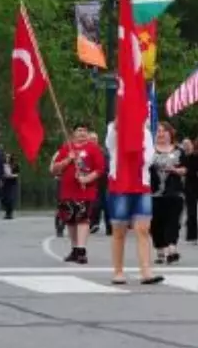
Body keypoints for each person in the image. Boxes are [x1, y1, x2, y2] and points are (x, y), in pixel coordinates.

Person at [105, 119, 164, 286]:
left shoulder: (145, 133)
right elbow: (110, 144)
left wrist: (136, 148)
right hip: (120, 185)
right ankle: (118, 271)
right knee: (119, 230)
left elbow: (149, 158)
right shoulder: (115, 128)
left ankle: (146, 271)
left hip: (141, 184)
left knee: (143, 229)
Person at [50, 123, 106, 264]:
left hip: (85, 190)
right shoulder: (66, 148)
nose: (82, 133)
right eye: (79, 130)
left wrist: (87, 179)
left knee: (82, 219)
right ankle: (74, 248)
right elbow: (54, 170)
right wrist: (67, 159)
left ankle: (81, 250)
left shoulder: (93, 149)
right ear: (73, 133)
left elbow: (99, 169)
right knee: (70, 220)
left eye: (85, 131)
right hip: (67, 190)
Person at [149, 122, 186, 264]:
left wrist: (175, 170)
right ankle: (160, 249)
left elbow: (185, 169)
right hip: (154, 193)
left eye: (164, 131)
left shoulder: (179, 151)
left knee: (172, 221)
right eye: (158, 131)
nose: (161, 134)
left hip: (174, 192)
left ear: (170, 134)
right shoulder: (150, 151)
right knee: (156, 223)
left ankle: (172, 248)